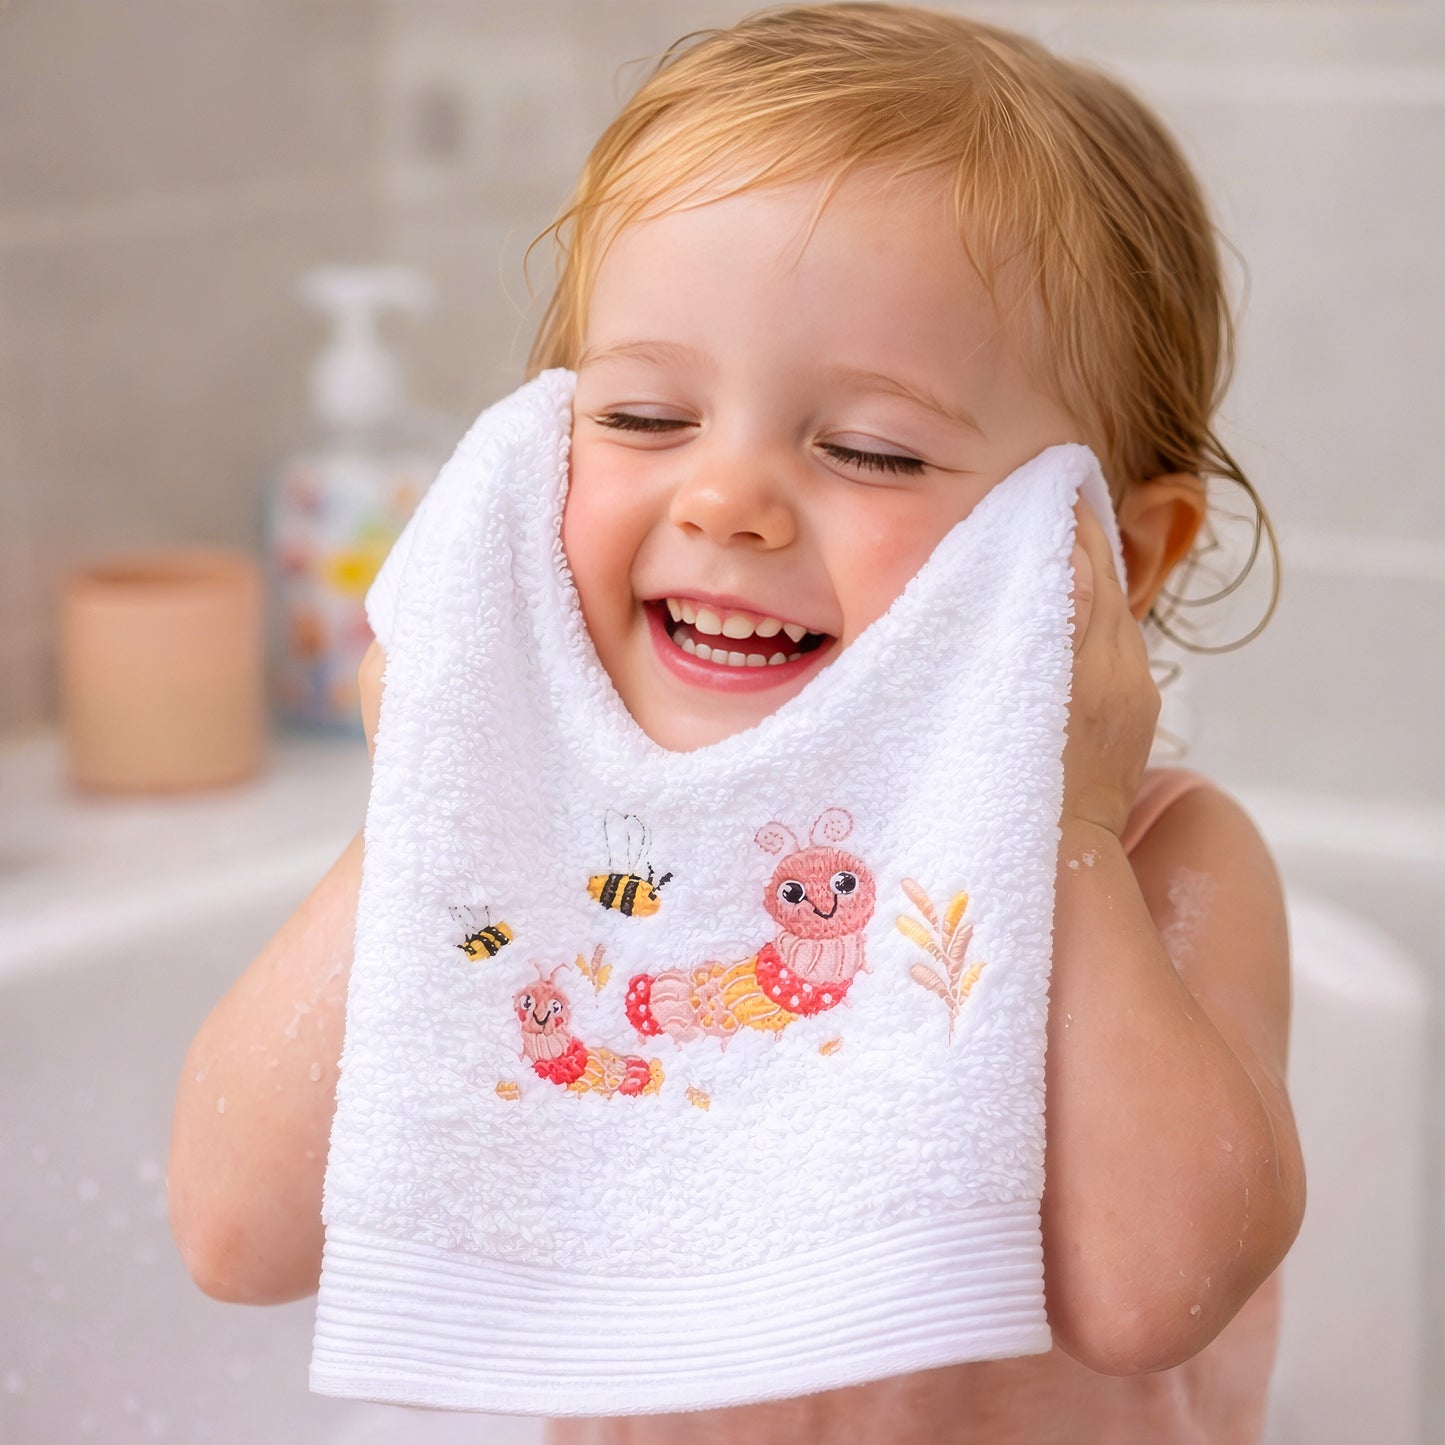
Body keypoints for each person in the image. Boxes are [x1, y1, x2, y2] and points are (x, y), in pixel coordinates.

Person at [168, 5, 1306, 1441]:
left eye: (869, 449)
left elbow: (1151, 1289)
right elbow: (232, 1233)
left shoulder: (1162, 858)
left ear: (1107, 556)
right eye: (645, 419)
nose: (725, 500)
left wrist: (1064, 832)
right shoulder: (554, 860)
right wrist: (435, 787)